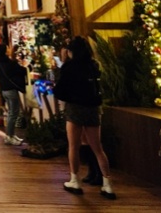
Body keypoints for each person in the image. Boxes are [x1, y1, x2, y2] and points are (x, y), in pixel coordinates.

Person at [54, 36, 116, 200]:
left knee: (74, 146)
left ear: (71, 51)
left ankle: (75, 180)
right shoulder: (93, 66)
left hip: (75, 109)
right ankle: (107, 185)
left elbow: (59, 90)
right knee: (98, 148)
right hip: (92, 109)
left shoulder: (69, 67)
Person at [0, 43, 27, 146]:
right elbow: (21, 71)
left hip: (4, 91)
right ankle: (9, 137)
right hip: (11, 91)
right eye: (7, 48)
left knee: (11, 113)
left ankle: (11, 135)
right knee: (13, 114)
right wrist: (27, 65)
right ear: (4, 50)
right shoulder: (8, 62)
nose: (9, 49)